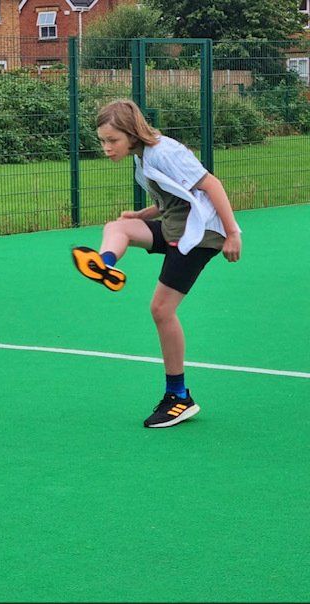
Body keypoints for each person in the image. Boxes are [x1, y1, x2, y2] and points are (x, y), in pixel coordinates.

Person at [71, 99, 242, 429]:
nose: (106, 148)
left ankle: (178, 398)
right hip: (175, 226)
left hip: (199, 233)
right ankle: (105, 264)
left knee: (162, 310)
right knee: (117, 227)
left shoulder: (164, 151)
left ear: (132, 135)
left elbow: (210, 184)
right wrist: (141, 215)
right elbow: (173, 199)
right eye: (102, 141)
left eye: (112, 141)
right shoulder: (142, 157)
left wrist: (232, 233)